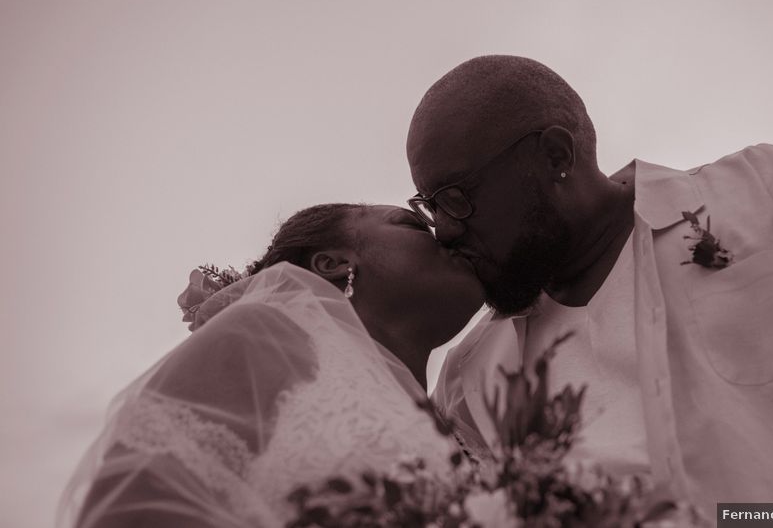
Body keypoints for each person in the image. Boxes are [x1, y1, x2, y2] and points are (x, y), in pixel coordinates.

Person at [407, 55, 773, 522]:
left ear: (555, 157)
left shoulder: (767, 194)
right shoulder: (468, 375)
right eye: (429, 206)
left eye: (456, 197)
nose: (447, 229)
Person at [58, 203, 485, 528]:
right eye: (412, 224)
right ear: (333, 264)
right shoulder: (259, 337)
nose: (446, 234)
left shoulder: (460, 427)